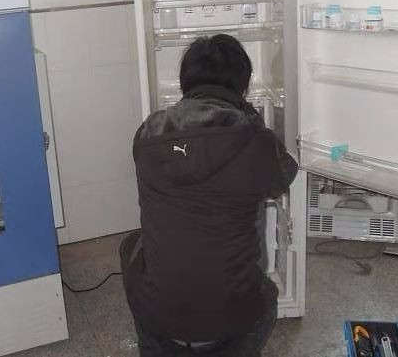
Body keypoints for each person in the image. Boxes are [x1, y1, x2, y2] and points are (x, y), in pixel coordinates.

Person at [121, 33, 298, 356]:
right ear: (242, 85)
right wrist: (250, 117)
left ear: (185, 81)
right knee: (267, 295)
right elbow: (285, 176)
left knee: (130, 245)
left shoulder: (148, 134)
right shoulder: (255, 139)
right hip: (231, 321)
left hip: (162, 322)